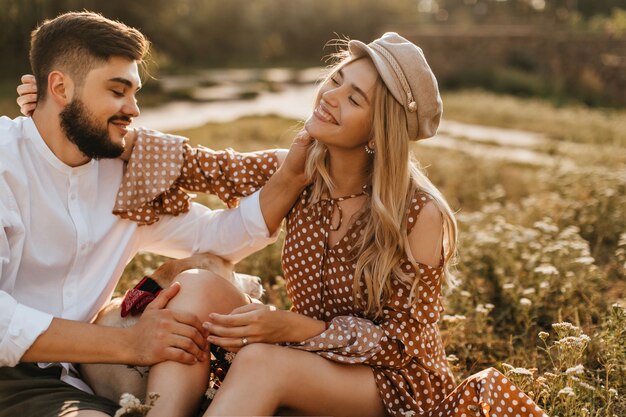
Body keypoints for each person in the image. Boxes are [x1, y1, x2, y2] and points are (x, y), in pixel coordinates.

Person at [67, 32, 547, 417]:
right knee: (195, 285)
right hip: (312, 355)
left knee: (260, 363)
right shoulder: (298, 169)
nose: (331, 96)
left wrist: (296, 329)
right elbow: (199, 165)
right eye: (337, 79)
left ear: (381, 130)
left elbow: (401, 345)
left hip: (394, 386)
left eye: (354, 97)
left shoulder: (420, 214)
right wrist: (69, 113)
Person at [2, 11, 310, 417]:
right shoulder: (6, 162)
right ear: (59, 86)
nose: (133, 109)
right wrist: (130, 344)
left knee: (200, 282)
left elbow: (217, 237)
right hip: (11, 376)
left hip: (84, 371)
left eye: (135, 93)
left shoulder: (124, 177)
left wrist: (292, 176)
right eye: (117, 91)